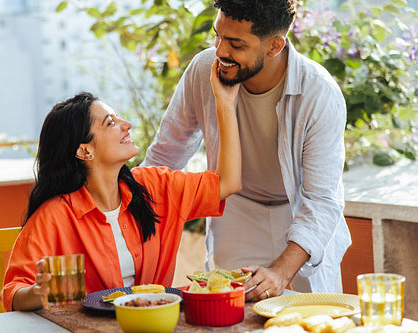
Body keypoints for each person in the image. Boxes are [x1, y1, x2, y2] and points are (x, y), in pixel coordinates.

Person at [142, 0, 351, 301]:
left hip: (299, 215)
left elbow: (321, 201)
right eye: (218, 36)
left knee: (311, 316)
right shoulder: (203, 70)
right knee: (233, 314)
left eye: (236, 44)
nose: (220, 51)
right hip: (237, 210)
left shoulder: (319, 93)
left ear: (275, 46)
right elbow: (165, 156)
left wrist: (280, 272)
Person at [1, 60, 241, 312]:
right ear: (85, 150)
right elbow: (13, 292)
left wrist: (224, 102)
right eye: (110, 122)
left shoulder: (155, 186)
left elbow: (228, 181)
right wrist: (40, 292)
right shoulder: (55, 216)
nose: (126, 124)